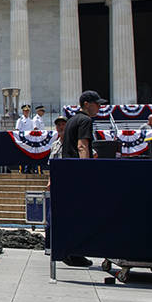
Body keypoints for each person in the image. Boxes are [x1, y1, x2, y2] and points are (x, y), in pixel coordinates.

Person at [58, 89, 105, 268]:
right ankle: (76, 253)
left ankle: (69, 251)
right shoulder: (85, 120)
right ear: (87, 104)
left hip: (67, 169)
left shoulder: (71, 120)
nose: (99, 107)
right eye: (96, 104)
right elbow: (81, 145)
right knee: (80, 213)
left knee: (71, 213)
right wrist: (86, 170)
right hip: (77, 172)